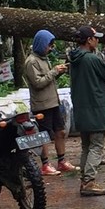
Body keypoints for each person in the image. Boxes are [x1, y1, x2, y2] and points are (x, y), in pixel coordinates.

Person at [68, 26, 105, 196]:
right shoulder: (91, 59)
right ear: (89, 40)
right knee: (96, 146)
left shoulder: (75, 59)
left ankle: (84, 180)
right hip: (96, 108)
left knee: (86, 146)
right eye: (96, 38)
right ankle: (89, 182)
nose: (98, 41)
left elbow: (97, 72)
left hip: (81, 109)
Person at [23, 29, 76, 176]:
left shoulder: (44, 59)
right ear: (41, 44)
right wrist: (53, 72)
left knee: (60, 131)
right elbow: (38, 83)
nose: (51, 48)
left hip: (53, 102)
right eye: (49, 45)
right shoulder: (31, 62)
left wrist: (58, 72)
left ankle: (62, 161)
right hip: (42, 104)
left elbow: (48, 80)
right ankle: (45, 164)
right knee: (44, 135)